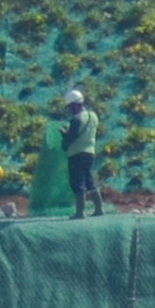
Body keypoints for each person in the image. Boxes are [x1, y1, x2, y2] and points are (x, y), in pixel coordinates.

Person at [54, 86, 104, 219]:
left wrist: (64, 136)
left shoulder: (76, 120)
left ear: (74, 105)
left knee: (77, 181)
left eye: (70, 106)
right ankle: (99, 208)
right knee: (89, 179)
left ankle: (80, 211)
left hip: (76, 153)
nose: (70, 109)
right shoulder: (93, 116)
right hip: (90, 152)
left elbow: (70, 139)